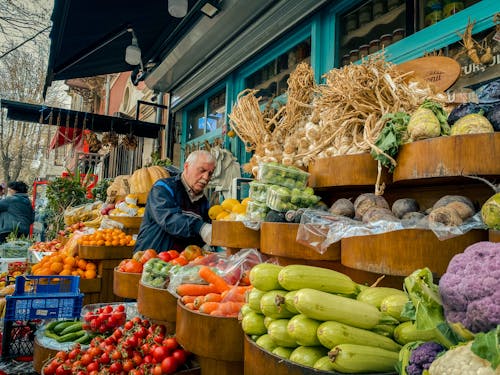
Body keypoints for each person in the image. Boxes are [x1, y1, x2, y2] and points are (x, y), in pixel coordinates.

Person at [133, 150, 216, 253]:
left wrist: (205, 244)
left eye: (210, 173)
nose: (206, 177)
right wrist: (200, 227)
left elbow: (202, 234)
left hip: (180, 265)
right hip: (150, 260)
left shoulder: (203, 202)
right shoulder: (163, 188)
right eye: (202, 170)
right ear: (186, 166)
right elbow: (169, 218)